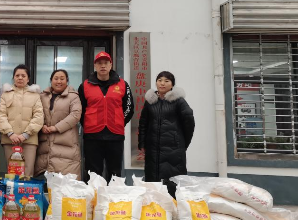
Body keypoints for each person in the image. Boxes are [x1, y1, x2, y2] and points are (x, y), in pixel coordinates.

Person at [79, 51, 134, 182]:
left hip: (115, 135)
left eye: (105, 63)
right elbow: (80, 110)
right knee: (93, 173)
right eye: (99, 63)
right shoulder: (85, 85)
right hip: (92, 136)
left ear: (111, 65)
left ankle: (112, 195)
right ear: (95, 66)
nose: (103, 66)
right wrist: (88, 123)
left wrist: (119, 122)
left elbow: (129, 108)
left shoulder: (123, 84)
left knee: (114, 172)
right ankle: (94, 194)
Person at [139, 71, 195, 197]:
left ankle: (173, 204)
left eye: (166, 81)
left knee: (172, 182)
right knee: (152, 181)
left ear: (172, 85)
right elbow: (143, 123)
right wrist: (142, 143)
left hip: (173, 149)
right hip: (152, 148)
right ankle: (154, 206)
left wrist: (182, 142)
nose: (162, 83)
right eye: (159, 80)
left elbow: (189, 122)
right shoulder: (150, 102)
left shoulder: (179, 102)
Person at [35, 69, 82, 179]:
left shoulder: (73, 96)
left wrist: (56, 128)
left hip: (66, 144)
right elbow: (36, 113)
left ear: (67, 81)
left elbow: (75, 115)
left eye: (62, 78)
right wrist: (41, 126)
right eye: (56, 78)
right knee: (45, 182)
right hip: (45, 145)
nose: (59, 81)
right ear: (51, 80)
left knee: (66, 182)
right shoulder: (42, 96)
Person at [0, 64, 44, 178]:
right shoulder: (5, 94)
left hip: (29, 140)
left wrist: (26, 134)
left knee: (27, 172)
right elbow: (1, 115)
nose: (20, 78)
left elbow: (38, 116)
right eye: (17, 75)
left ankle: (26, 190)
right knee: (12, 171)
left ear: (28, 79)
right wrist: (10, 133)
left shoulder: (35, 95)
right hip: (9, 139)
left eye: (23, 76)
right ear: (13, 77)